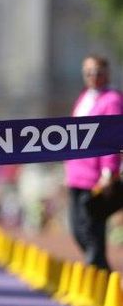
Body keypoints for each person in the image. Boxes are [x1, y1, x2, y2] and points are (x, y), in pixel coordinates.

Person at [64, 55, 123, 270]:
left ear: (107, 73)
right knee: (77, 228)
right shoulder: (84, 98)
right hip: (76, 174)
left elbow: (112, 137)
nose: (94, 77)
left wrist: (109, 171)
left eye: (98, 72)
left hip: (95, 177)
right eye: (89, 72)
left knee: (91, 231)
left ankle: (100, 276)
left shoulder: (112, 100)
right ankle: (100, 270)